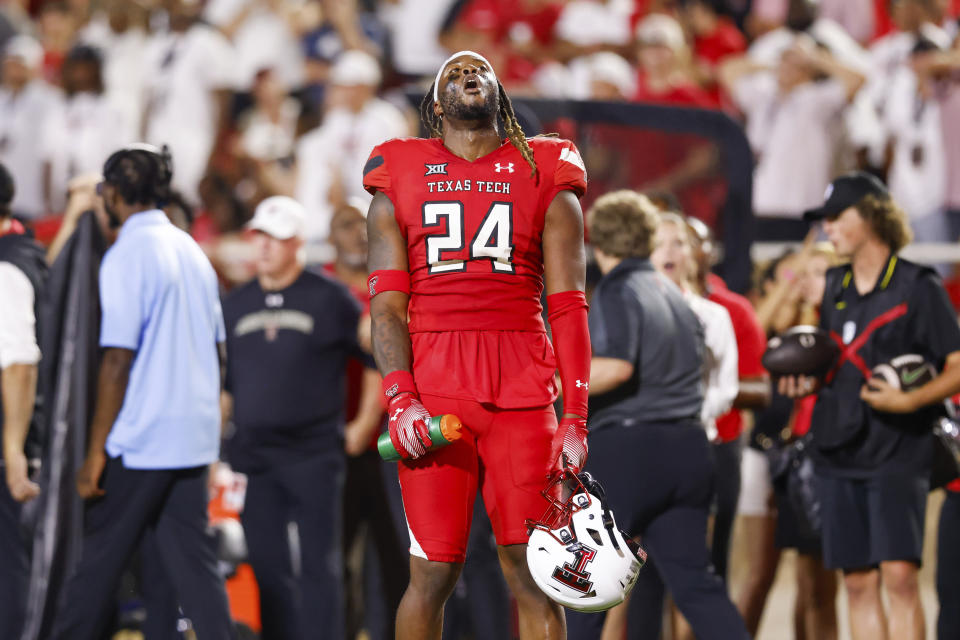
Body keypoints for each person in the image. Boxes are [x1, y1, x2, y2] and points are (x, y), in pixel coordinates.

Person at [363, 51, 590, 639]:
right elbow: (386, 307)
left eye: (481, 69)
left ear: (499, 94)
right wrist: (399, 397)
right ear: (437, 104)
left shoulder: (544, 166)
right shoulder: (400, 169)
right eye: (455, 71)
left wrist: (577, 414)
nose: (470, 73)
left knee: (534, 570)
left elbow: (568, 304)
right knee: (434, 569)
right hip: (434, 386)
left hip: (522, 381)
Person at [50, 144, 233, 640]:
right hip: (192, 439)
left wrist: (94, 455)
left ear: (112, 192)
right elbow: (219, 350)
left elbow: (116, 360)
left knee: (97, 565)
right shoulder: (191, 249)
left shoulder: (129, 253)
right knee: (196, 572)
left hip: (144, 440)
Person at [782, 171, 960, 640]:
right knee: (857, 583)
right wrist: (807, 384)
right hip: (837, 451)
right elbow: (832, 365)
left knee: (900, 578)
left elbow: (957, 365)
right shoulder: (835, 286)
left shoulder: (919, 286)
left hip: (899, 452)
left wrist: (911, 400)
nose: (828, 229)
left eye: (836, 218)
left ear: (871, 216)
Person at [565, 190, 749, 640]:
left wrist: (556, 379)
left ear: (597, 243)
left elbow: (617, 367)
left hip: (632, 452)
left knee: (587, 590)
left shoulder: (619, 288)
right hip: (690, 453)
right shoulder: (676, 295)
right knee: (696, 588)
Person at [220, 195, 378, 640]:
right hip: (254, 456)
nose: (265, 246)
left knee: (319, 566)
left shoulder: (332, 299)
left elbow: (372, 361)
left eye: (276, 238)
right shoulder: (236, 304)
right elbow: (226, 384)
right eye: (260, 236)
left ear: (297, 243)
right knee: (268, 568)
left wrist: (364, 425)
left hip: (314, 454)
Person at [0, 161, 47, 639]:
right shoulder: (27, 251)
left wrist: (13, 451)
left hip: (8, 451)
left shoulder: (4, 268)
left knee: (8, 575)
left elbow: (18, 362)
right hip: (18, 445)